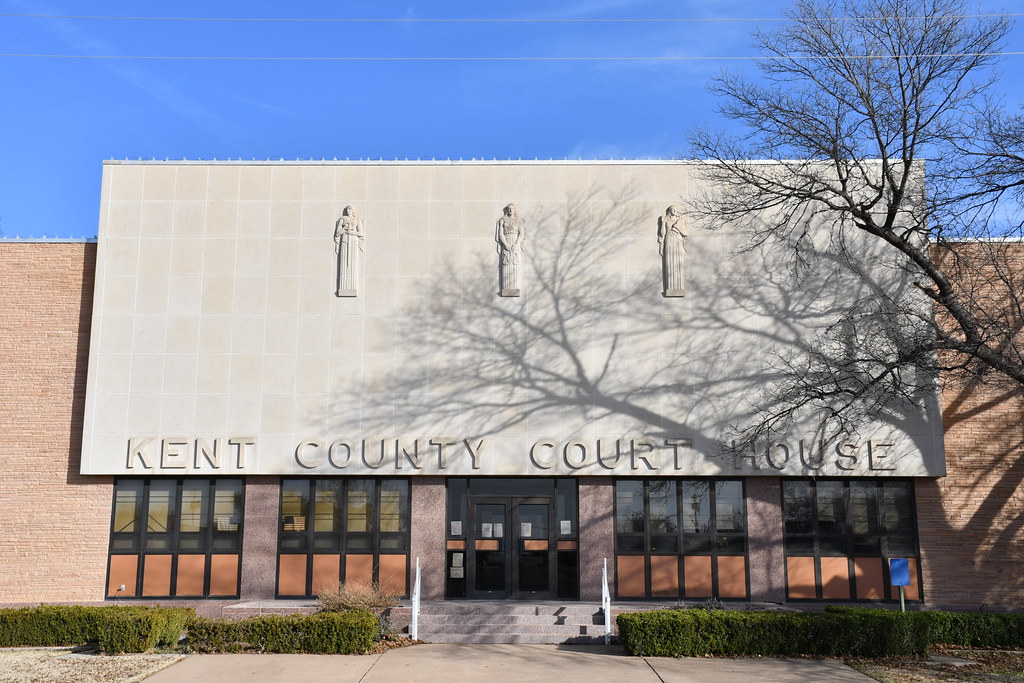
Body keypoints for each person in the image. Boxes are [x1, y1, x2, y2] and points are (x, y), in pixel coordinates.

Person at [495, 203, 525, 296]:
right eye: (509, 209)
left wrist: (516, 244)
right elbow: (500, 234)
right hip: (506, 243)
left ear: (515, 210)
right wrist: (506, 245)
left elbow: (521, 233)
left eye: (512, 209)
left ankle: (515, 288)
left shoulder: (519, 220)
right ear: (507, 210)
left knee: (515, 264)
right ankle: (506, 288)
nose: (511, 210)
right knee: (506, 263)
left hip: (515, 243)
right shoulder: (502, 220)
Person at [334, 206, 364, 296]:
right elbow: (337, 233)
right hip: (344, 241)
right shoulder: (342, 219)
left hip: (354, 242)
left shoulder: (357, 220)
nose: (348, 210)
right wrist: (344, 229)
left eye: (350, 209)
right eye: (347, 209)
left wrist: (353, 232)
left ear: (353, 211)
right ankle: (343, 287)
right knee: (344, 263)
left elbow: (361, 233)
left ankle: (353, 287)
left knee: (352, 263)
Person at [658, 205, 687, 296]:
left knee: (678, 262)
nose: (674, 211)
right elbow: (662, 234)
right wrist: (663, 223)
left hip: (677, 240)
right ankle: (670, 287)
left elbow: (685, 233)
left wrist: (677, 228)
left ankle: (679, 287)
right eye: (672, 209)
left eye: (675, 209)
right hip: (669, 240)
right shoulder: (666, 221)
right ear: (669, 211)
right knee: (669, 262)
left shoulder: (680, 220)